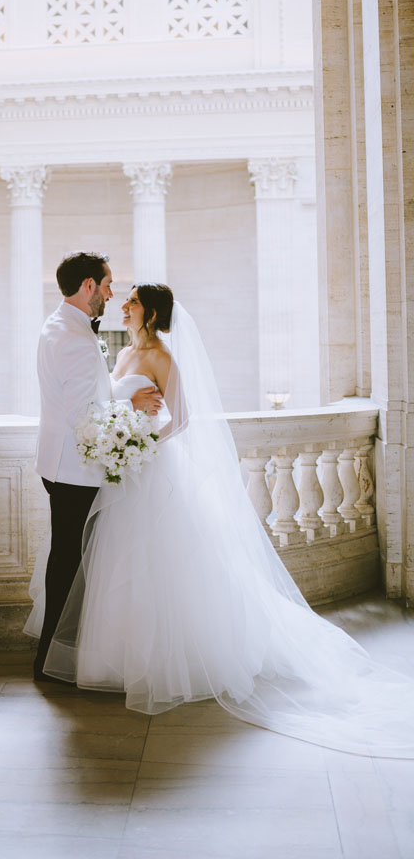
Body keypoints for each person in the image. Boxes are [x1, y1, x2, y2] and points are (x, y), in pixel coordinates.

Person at [35, 282, 414, 758]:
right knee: (121, 566)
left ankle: (168, 662)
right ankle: (119, 659)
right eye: (123, 297)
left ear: (149, 312)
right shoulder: (125, 351)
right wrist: (124, 417)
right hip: (124, 472)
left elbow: (184, 418)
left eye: (131, 301)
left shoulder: (162, 356)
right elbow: (113, 402)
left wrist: (141, 442)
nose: (123, 306)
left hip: (151, 468)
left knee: (160, 564)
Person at [32, 252, 162, 682]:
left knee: (67, 561)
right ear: (88, 285)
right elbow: (83, 413)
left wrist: (124, 392)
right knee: (71, 567)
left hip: (59, 463)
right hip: (74, 469)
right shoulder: (74, 338)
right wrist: (130, 400)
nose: (111, 295)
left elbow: (92, 391)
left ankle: (56, 654)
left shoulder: (59, 325)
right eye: (107, 285)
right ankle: (53, 661)